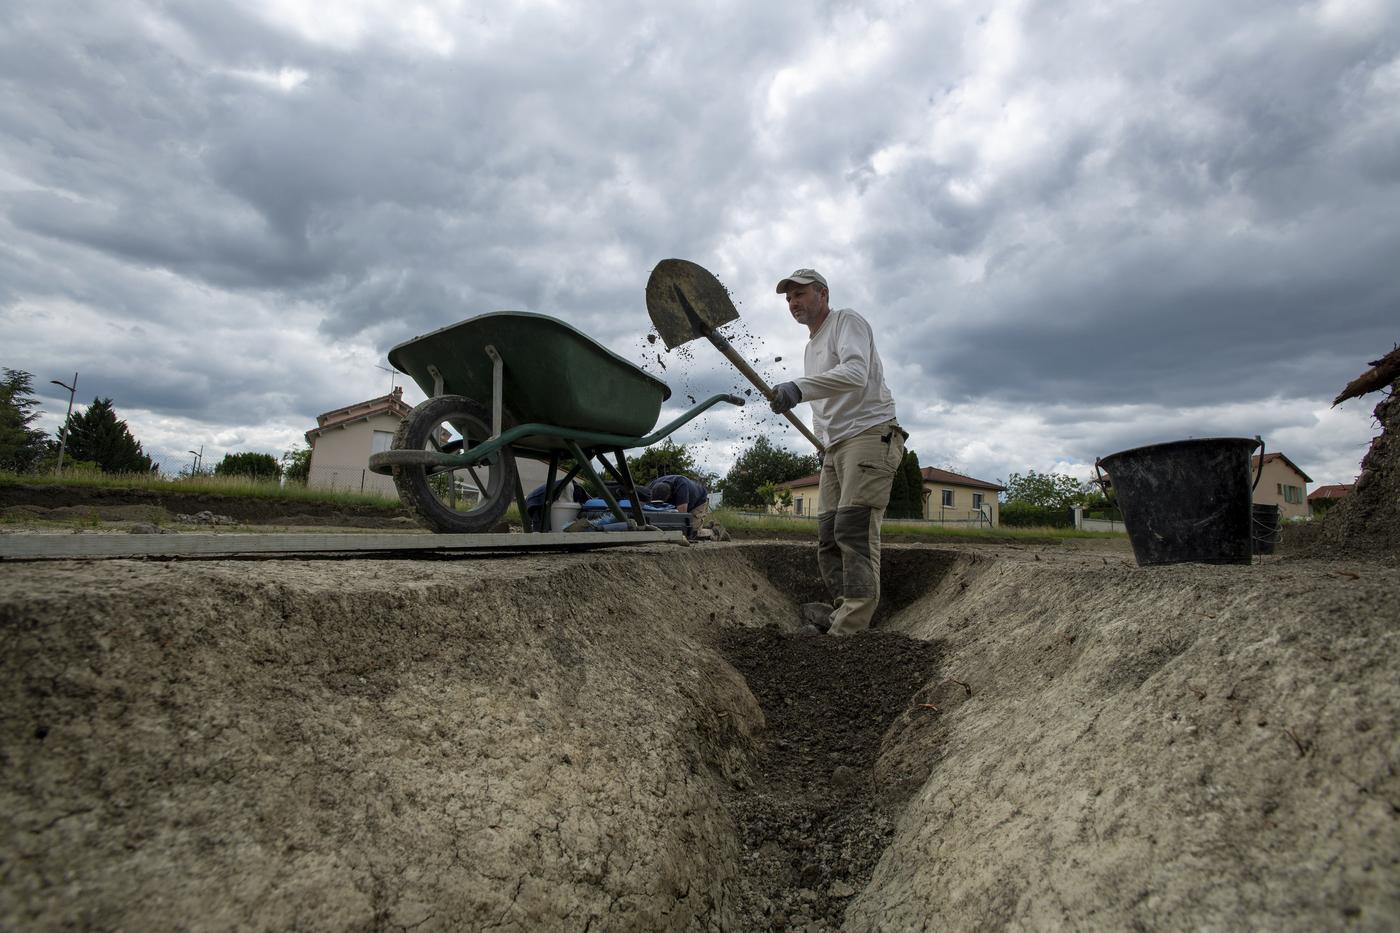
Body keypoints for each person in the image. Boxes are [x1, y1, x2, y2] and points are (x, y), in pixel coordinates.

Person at [770, 268, 905, 636]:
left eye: (800, 295)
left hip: (868, 432)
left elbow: (856, 374)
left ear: (822, 295)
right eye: (789, 298)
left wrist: (797, 388)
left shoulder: (847, 322)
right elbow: (824, 406)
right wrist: (822, 443)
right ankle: (842, 608)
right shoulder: (811, 347)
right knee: (828, 534)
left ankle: (850, 627)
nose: (793, 303)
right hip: (834, 446)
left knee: (854, 529)